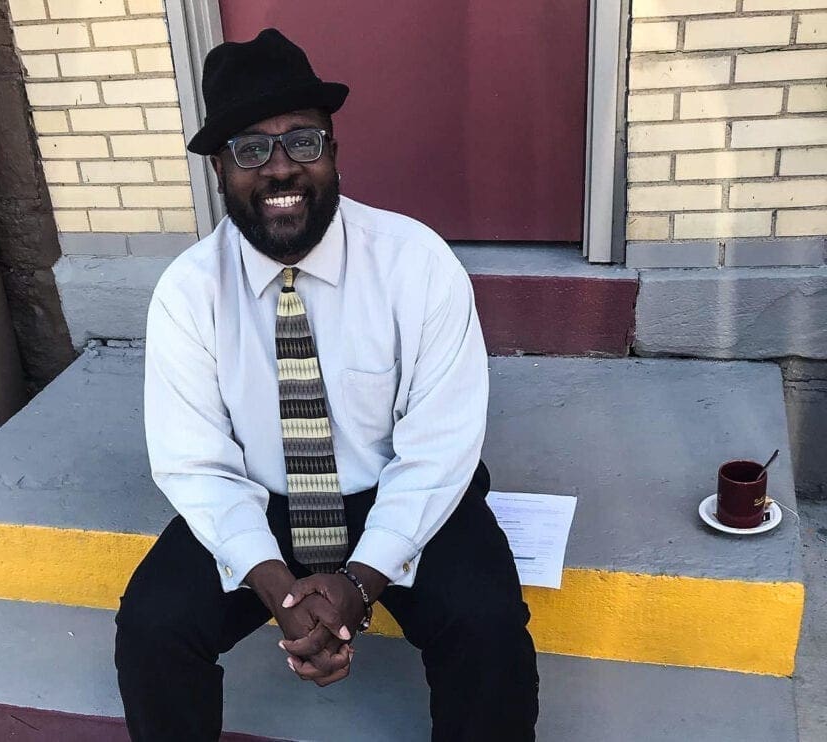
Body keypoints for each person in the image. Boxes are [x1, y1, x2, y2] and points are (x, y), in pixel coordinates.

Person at [114, 27, 539, 742]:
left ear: (334, 152)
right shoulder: (188, 293)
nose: (281, 169)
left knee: (488, 628)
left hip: (398, 488)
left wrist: (360, 582)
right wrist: (278, 587)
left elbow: (438, 446)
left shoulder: (416, 264)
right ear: (220, 169)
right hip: (263, 499)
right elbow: (196, 463)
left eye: (303, 142)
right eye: (252, 148)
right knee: (153, 628)